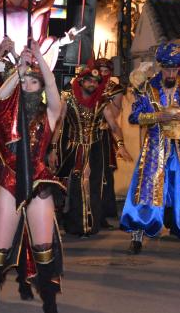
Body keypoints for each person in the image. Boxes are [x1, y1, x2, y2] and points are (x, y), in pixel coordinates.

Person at [0, 40, 65, 313]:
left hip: (39, 182)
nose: (27, 85)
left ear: (40, 88)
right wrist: (21, 67)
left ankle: (49, 304)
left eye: (32, 82)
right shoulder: (7, 115)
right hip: (11, 180)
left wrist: (39, 57)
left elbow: (53, 91)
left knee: (43, 247)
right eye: (24, 81)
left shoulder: (49, 114)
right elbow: (2, 95)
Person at [120, 42, 180, 256]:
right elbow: (135, 117)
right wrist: (157, 117)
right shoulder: (147, 88)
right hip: (154, 150)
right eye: (168, 69)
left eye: (175, 69)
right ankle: (137, 235)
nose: (171, 73)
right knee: (147, 189)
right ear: (161, 67)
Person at [52, 67, 132, 237]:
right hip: (74, 147)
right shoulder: (69, 98)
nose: (93, 84)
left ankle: (91, 225)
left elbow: (114, 126)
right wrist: (52, 149)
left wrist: (121, 145)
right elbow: (59, 124)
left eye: (96, 82)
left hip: (95, 149)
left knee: (94, 186)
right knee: (74, 185)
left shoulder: (101, 102)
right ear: (81, 81)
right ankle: (74, 225)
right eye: (89, 80)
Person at [92, 58, 125, 228]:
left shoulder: (115, 88)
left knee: (104, 173)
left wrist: (105, 96)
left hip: (104, 132)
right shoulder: (89, 83)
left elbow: (115, 114)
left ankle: (103, 211)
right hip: (87, 132)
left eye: (106, 71)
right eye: (100, 70)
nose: (103, 74)